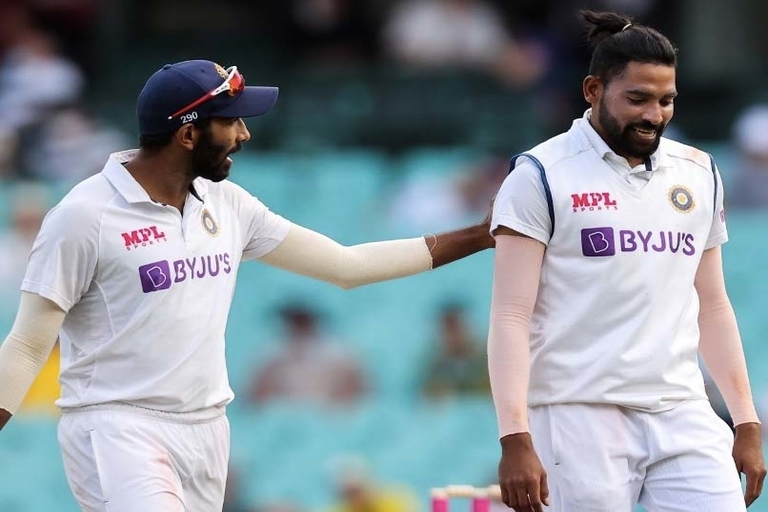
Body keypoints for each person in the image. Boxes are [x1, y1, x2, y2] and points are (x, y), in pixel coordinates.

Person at [0, 59, 495, 511]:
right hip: (118, 425)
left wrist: (479, 234)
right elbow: (25, 345)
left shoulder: (227, 204)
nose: (244, 134)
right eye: (231, 122)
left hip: (207, 428)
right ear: (189, 135)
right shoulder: (84, 216)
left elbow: (348, 266)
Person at [488, 11, 765, 512]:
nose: (654, 115)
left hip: (681, 409)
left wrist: (745, 421)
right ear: (593, 90)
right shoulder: (539, 174)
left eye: (666, 100)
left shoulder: (698, 171)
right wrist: (515, 438)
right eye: (637, 98)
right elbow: (511, 316)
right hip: (576, 412)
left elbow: (713, 306)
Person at [247, 302, 366, 407]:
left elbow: (359, 389)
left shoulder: (336, 353)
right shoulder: (274, 354)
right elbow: (254, 395)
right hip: (286, 415)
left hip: (328, 415)